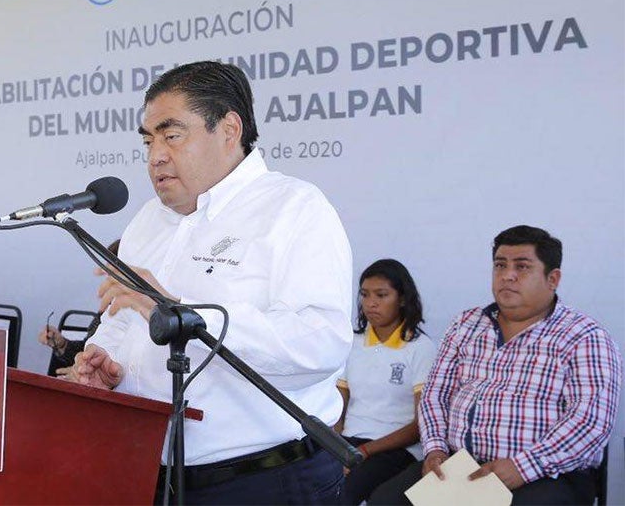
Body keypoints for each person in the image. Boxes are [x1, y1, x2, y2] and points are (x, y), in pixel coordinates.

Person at [73, 61, 354, 504]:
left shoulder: (295, 209)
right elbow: (123, 318)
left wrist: (180, 312)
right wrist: (108, 362)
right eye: (148, 140)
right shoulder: (148, 220)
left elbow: (320, 345)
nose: (155, 155)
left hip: (266, 480)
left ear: (228, 129)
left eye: (172, 135)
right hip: (153, 472)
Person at [369, 226, 623, 505]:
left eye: (522, 266)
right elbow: (435, 395)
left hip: (544, 474)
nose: (507, 275)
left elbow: (590, 423)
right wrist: (435, 451)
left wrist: (521, 467)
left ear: (553, 279)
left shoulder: (585, 337)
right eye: (500, 265)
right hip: (457, 467)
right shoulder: (465, 324)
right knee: (385, 500)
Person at [335, 259, 435, 505]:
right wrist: (335, 448)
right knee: (308, 483)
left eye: (381, 295)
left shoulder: (420, 348)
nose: (371, 303)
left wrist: (365, 451)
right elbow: (338, 406)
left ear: (402, 299)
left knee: (344, 493)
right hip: (350, 444)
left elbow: (419, 425)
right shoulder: (352, 343)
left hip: (396, 450)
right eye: (365, 295)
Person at [38, 240, 118, 376]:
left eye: (112, 272)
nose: (107, 278)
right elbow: (86, 350)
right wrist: (62, 344)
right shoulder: (107, 308)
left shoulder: (142, 314)